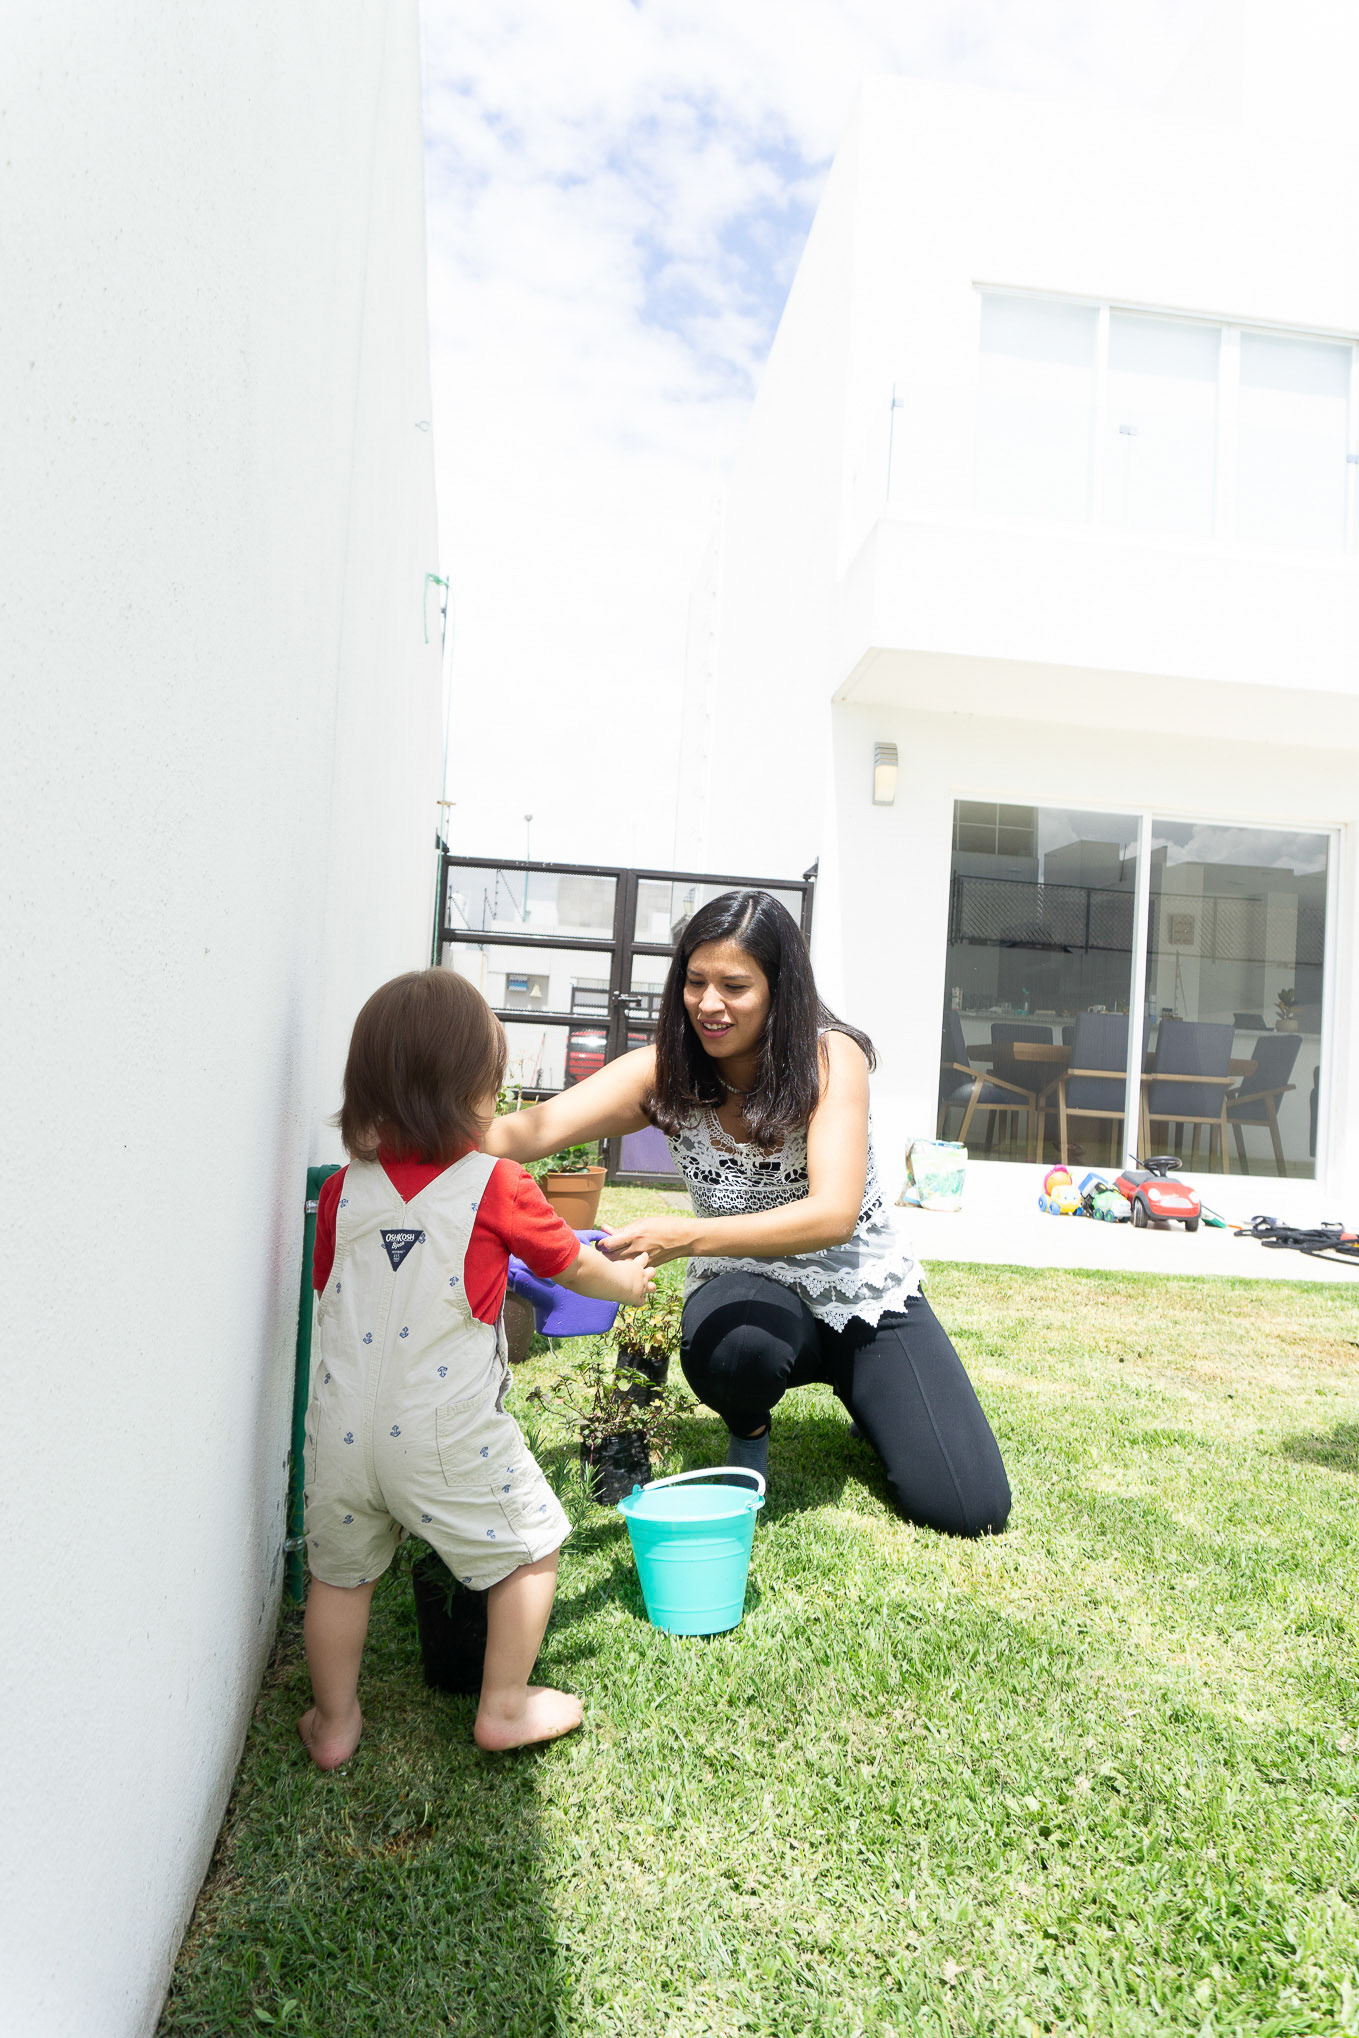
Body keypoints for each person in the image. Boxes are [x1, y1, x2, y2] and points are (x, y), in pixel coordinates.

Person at [487, 891, 1010, 1538]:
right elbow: (529, 1131)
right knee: (737, 1353)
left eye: (734, 986)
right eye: (695, 982)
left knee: (968, 1508)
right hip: (745, 1285)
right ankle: (749, 1426)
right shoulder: (662, 1072)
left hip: (859, 1285)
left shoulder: (829, 1058)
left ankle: (868, 1394)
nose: (709, 1004)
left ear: (778, 990)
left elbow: (833, 1215)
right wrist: (408, 1132)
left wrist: (686, 1237)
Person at [300, 968, 654, 1769]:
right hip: (444, 1432)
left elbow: (332, 1286)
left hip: (341, 1431)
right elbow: (571, 1265)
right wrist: (627, 1284)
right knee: (531, 1546)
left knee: (339, 1580)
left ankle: (334, 1722)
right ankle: (504, 1705)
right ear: (477, 1087)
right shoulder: (497, 1183)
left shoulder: (344, 1192)